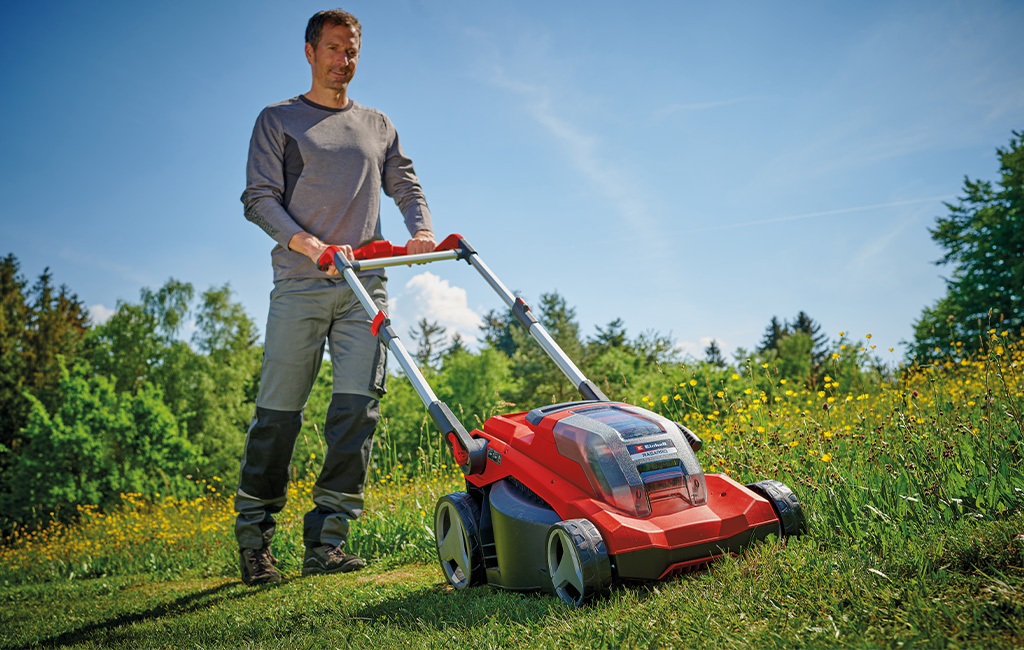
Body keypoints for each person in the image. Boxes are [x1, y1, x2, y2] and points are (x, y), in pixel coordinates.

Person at [234, 8, 436, 586]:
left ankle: (327, 541)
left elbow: (405, 181)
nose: (342, 60)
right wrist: (307, 242)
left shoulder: (377, 124)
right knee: (278, 416)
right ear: (309, 51)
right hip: (301, 284)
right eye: (332, 49)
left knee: (356, 414)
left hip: (363, 288)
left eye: (351, 50)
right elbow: (257, 197)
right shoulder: (279, 119)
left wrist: (420, 228)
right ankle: (255, 542)